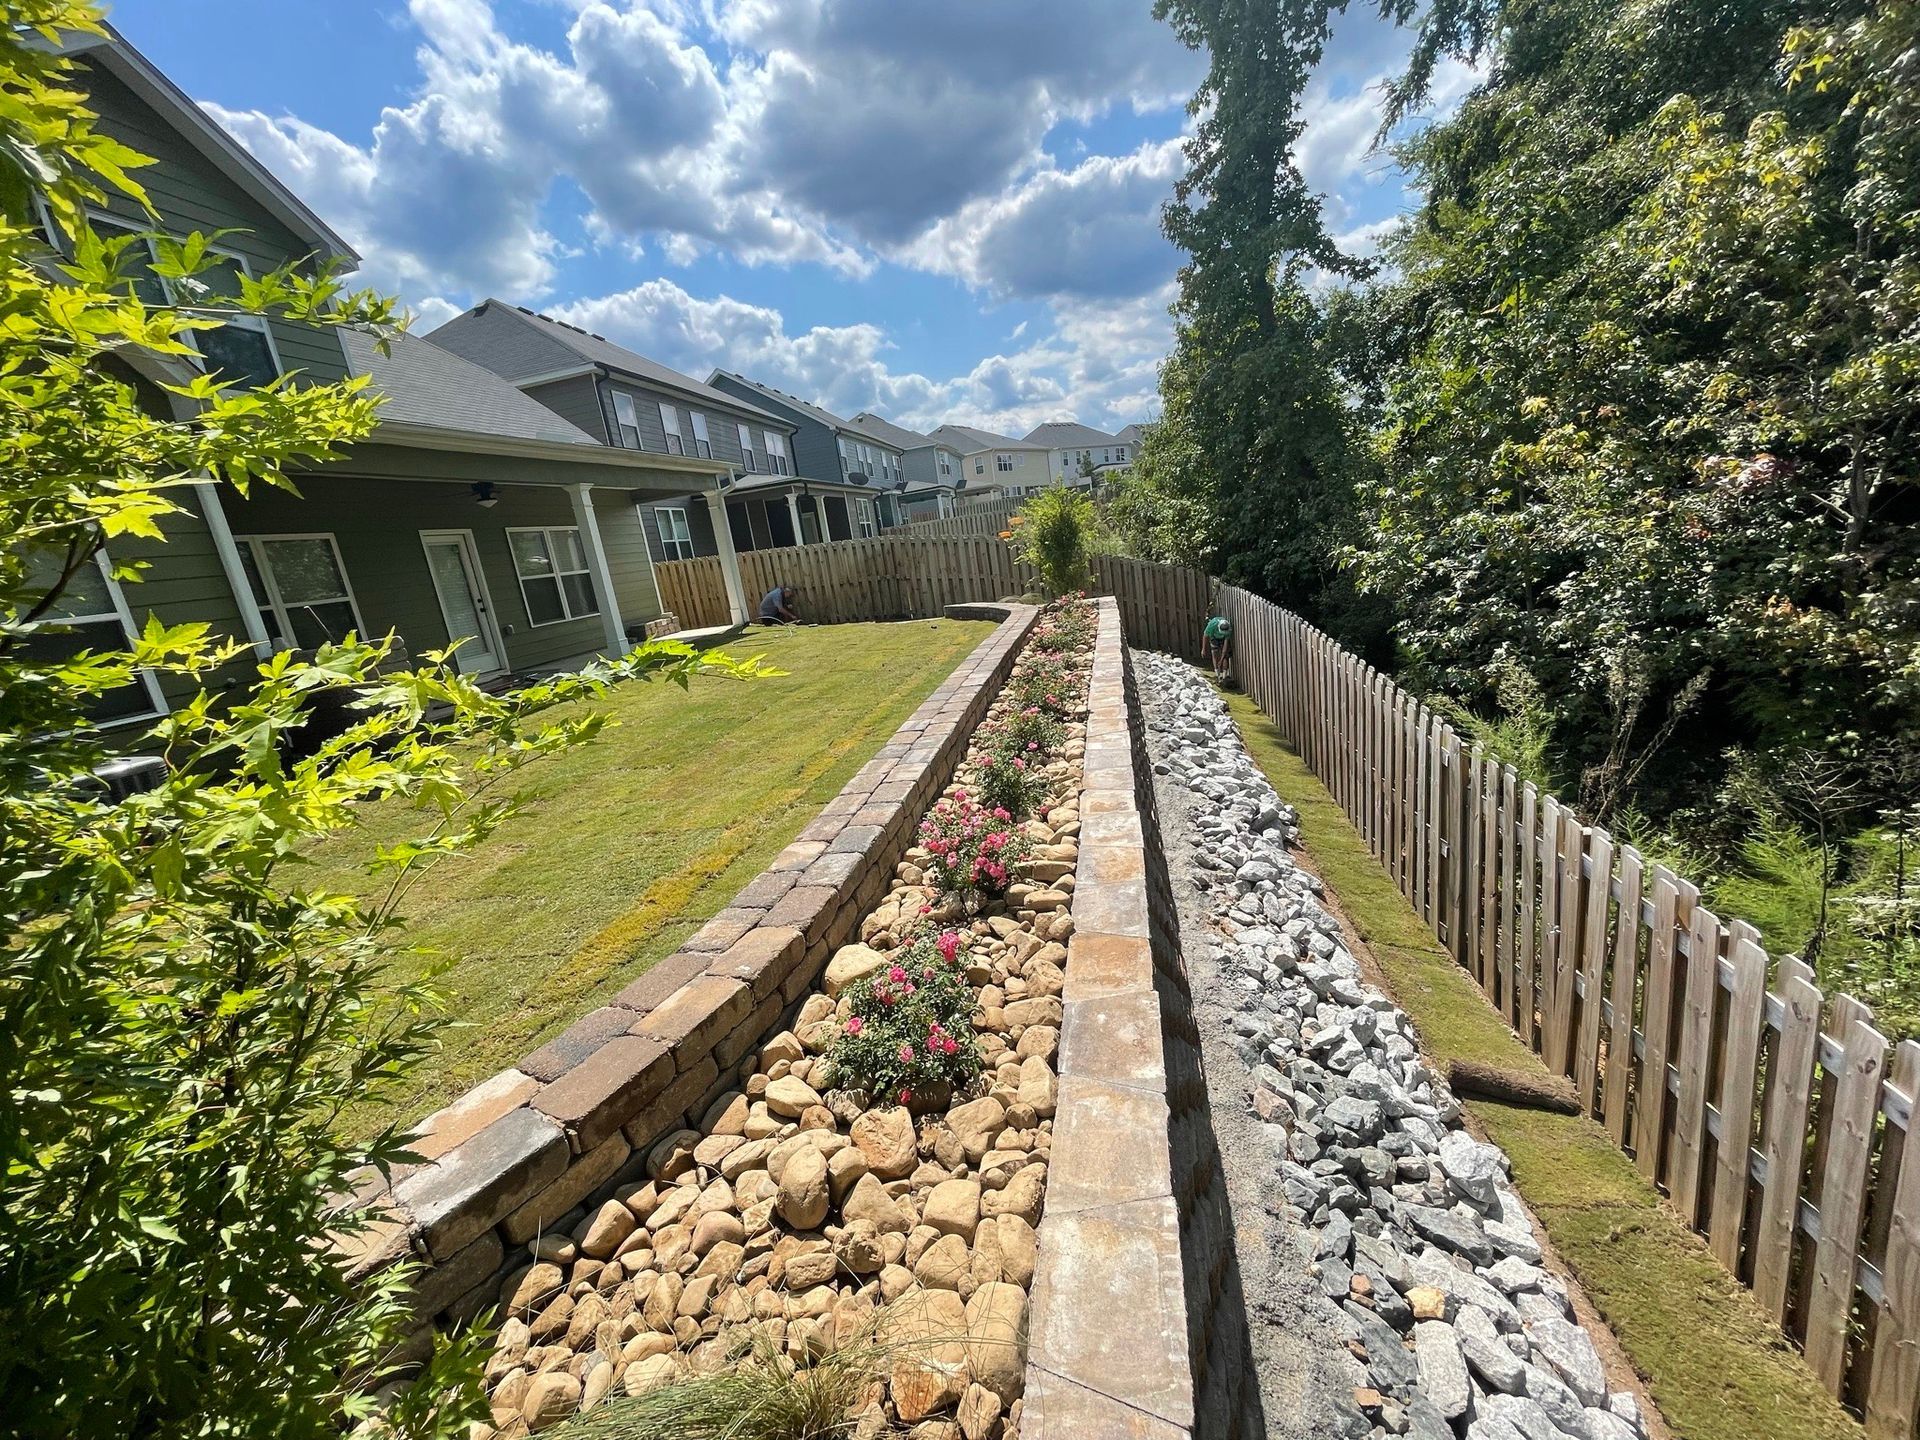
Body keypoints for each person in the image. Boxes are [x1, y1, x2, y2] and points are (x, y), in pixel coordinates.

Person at [1201, 611, 1233, 684]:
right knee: (1214, 653)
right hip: (1214, 637)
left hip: (1223, 639)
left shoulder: (1228, 629)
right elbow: (1205, 636)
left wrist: (1221, 660)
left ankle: (1224, 677)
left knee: (1225, 657)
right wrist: (1203, 649)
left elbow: (1225, 647)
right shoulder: (1212, 625)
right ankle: (1217, 675)